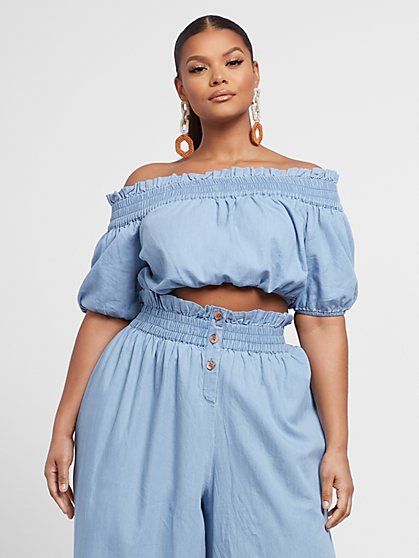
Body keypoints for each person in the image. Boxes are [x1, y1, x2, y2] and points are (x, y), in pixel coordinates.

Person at [44, 14, 358, 558]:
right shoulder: (149, 186)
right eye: (198, 68)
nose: (218, 77)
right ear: (180, 87)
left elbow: (323, 321)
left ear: (256, 72)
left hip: (265, 386)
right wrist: (62, 425)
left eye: (232, 62)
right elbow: (106, 311)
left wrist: (338, 446)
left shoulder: (306, 189)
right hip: (145, 380)